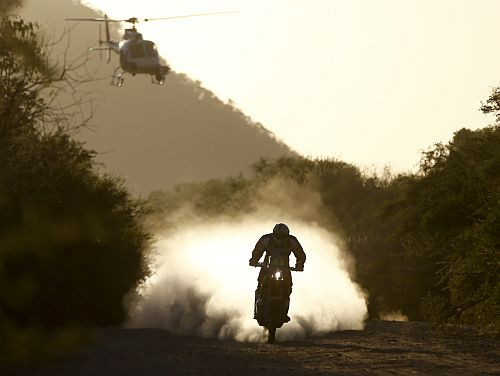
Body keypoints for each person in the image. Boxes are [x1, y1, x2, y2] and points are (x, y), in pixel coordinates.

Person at [249, 223, 306, 322]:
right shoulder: (266, 239)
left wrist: (299, 265)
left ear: (287, 235)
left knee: (288, 288)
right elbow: (258, 251)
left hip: (285, 269)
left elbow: (300, 254)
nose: (280, 238)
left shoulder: (292, 241)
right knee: (260, 284)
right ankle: (258, 306)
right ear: (274, 233)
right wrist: (254, 260)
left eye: (283, 235)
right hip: (267, 268)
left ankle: (284, 311)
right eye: (278, 235)